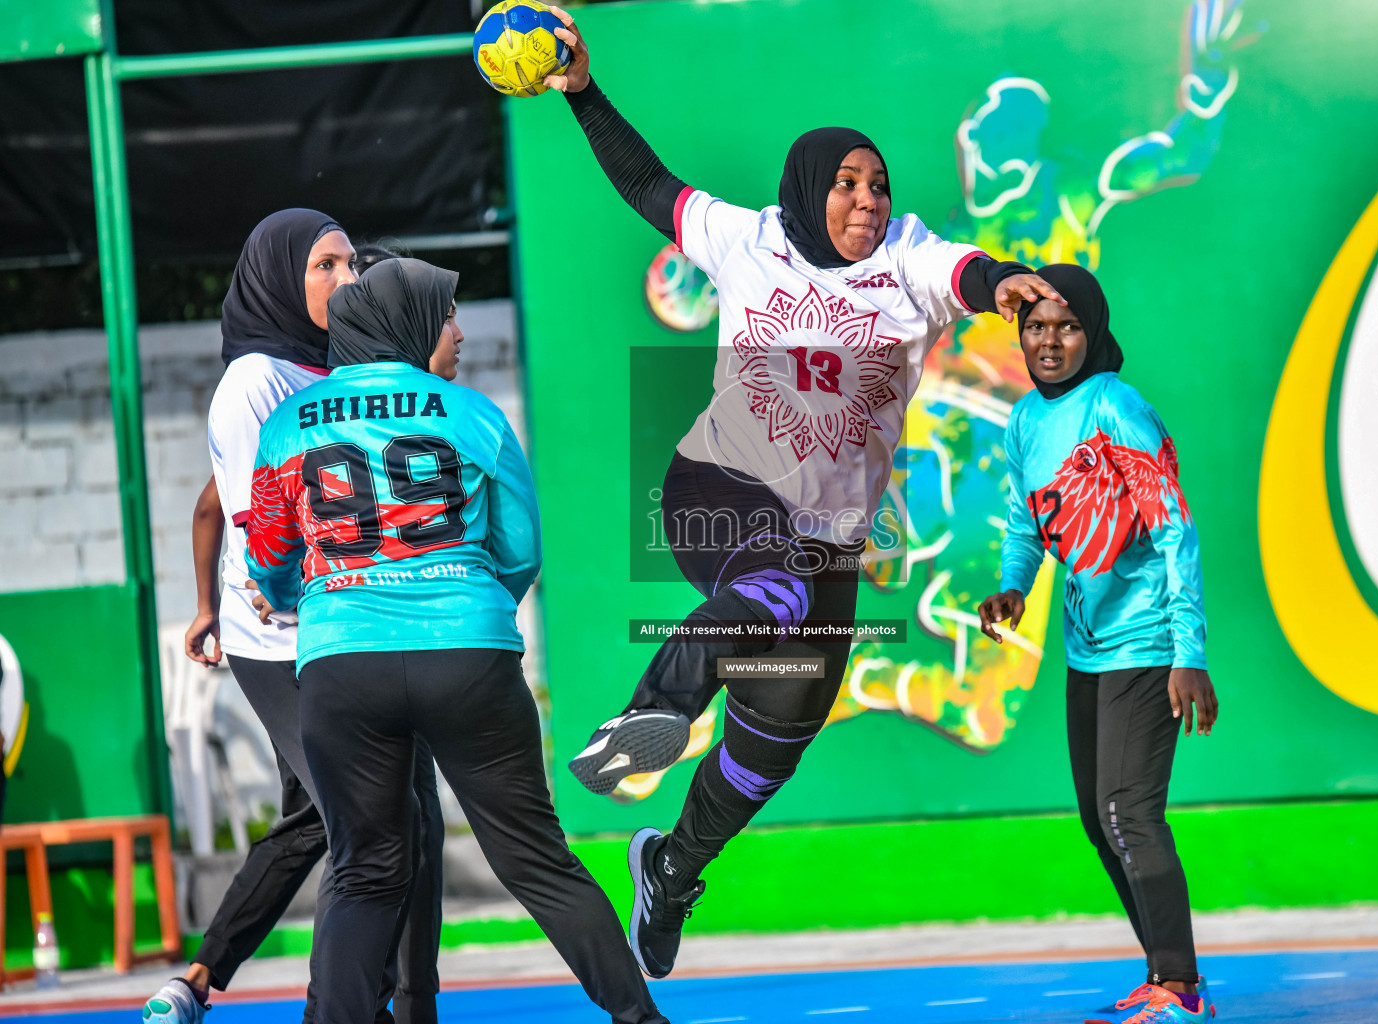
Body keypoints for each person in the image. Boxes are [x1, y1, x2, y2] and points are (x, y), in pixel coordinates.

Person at [538, 6, 1067, 979]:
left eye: (878, 183)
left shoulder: (905, 258)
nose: (868, 198)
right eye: (847, 183)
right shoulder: (748, 240)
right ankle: (653, 710)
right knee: (770, 584)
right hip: (720, 487)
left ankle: (673, 865)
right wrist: (580, 90)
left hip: (828, 539)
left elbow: (966, 268)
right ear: (807, 187)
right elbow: (650, 184)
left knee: (766, 753)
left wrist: (1006, 284)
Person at [243, 258, 668, 1024]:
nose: (459, 331)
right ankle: (643, 1020)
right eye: (446, 316)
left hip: (341, 667)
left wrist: (312, 601)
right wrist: (467, 613)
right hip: (468, 658)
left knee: (364, 873)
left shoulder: (284, 425)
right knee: (536, 862)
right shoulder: (473, 416)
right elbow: (520, 552)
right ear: (407, 325)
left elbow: (269, 561)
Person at [147, 220, 443, 1024]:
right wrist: (229, 608)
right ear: (281, 278)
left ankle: (200, 979)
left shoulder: (336, 369)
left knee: (340, 817)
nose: (346, 277)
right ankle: (344, 1009)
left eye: (351, 262)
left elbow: (207, 501)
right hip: (285, 644)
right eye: (325, 265)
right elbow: (262, 524)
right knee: (372, 825)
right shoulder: (254, 383)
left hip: (351, 631)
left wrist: (203, 601)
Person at [977, 264, 1218, 1024]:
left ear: (1093, 331)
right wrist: (1015, 585)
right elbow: (1026, 524)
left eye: (1067, 326)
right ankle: (1163, 977)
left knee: (1130, 812)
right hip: (1087, 649)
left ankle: (1179, 990)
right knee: (1098, 815)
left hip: (1148, 642)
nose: (1050, 341)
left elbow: (1175, 529)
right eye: (1036, 327)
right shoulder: (1024, 421)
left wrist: (1190, 653)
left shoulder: (1116, 408)